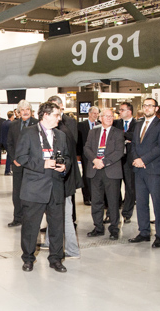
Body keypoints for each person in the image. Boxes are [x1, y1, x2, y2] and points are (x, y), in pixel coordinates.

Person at [18, 102, 70, 273]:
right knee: (31, 227)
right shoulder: (28, 133)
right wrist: (43, 164)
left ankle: (56, 259)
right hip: (34, 188)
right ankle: (28, 259)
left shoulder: (61, 135)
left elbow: (67, 157)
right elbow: (21, 157)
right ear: (46, 115)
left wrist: (64, 166)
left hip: (55, 187)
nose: (59, 118)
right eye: (56, 115)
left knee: (57, 226)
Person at [129, 99, 160, 247]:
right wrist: (136, 159)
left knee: (157, 203)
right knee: (141, 203)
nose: (147, 108)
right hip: (139, 169)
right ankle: (144, 232)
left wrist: (143, 160)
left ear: (156, 108)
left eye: (150, 106)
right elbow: (134, 144)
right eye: (145, 105)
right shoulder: (138, 124)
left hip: (154, 170)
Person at [44, 95, 82, 258]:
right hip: (61, 179)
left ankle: (73, 250)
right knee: (54, 213)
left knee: (65, 216)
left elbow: (67, 158)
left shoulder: (63, 131)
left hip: (64, 179)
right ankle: (48, 241)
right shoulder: (57, 131)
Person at [84, 109, 125, 240]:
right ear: (100, 118)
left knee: (113, 202)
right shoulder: (93, 132)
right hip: (95, 170)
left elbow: (119, 152)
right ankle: (98, 227)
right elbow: (86, 148)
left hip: (111, 171)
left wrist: (103, 162)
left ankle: (114, 229)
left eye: (111, 116)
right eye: (106, 116)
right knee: (96, 201)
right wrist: (95, 160)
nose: (109, 118)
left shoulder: (118, 133)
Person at [7, 100, 37, 227]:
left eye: (27, 109)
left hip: (32, 165)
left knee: (32, 192)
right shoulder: (13, 125)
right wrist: (14, 159)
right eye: (22, 110)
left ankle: (31, 218)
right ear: (18, 112)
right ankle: (17, 218)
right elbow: (9, 143)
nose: (25, 112)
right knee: (17, 193)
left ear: (31, 111)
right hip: (18, 164)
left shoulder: (37, 124)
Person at [113, 102, 136, 224]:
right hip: (117, 159)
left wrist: (122, 135)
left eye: (122, 110)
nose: (119, 112)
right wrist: (127, 137)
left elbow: (135, 137)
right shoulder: (116, 123)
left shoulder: (137, 124)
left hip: (130, 160)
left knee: (130, 187)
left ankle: (127, 213)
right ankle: (113, 213)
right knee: (114, 187)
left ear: (129, 111)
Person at [77, 106, 100, 206]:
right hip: (85, 154)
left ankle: (95, 196)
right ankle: (87, 197)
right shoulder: (81, 125)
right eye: (94, 113)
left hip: (97, 155)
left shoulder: (99, 125)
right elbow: (78, 140)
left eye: (97, 113)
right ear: (89, 114)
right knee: (86, 175)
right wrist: (78, 154)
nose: (96, 115)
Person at [0, 110, 16, 175]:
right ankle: (8, 170)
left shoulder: (4, 123)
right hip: (9, 142)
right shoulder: (11, 124)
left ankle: (8, 170)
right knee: (10, 156)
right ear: (12, 116)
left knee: (9, 155)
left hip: (4, 141)